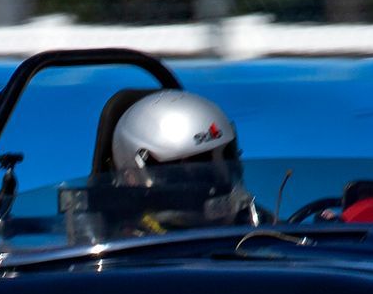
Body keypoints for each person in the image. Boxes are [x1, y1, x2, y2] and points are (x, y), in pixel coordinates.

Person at [108, 90, 260, 234]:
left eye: (214, 161)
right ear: (132, 178)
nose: (208, 184)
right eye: (181, 170)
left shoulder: (255, 225)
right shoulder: (123, 250)